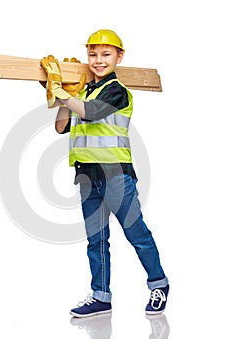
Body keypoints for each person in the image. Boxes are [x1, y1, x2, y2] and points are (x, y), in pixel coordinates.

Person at [40, 29, 169, 318]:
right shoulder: (83, 92)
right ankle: (101, 296)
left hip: (116, 176)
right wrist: (65, 95)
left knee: (137, 234)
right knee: (96, 241)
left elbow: (91, 112)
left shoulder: (117, 90)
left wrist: (62, 92)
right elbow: (62, 127)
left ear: (119, 57)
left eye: (106, 54)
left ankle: (159, 284)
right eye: (93, 54)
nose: (98, 60)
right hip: (87, 177)